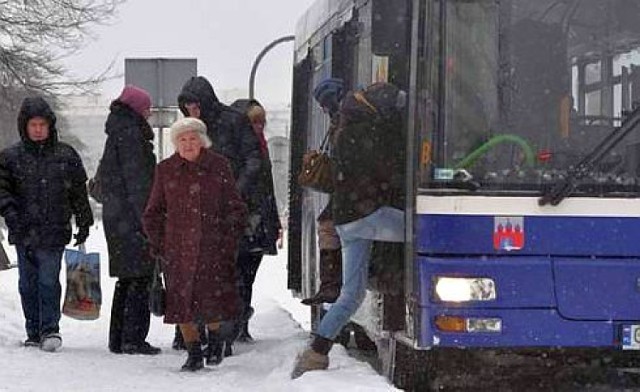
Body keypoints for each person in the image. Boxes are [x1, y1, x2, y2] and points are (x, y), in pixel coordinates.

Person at [292, 83, 407, 378]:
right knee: (425, 228)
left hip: (347, 221)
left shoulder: (346, 126)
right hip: (369, 216)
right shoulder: (367, 131)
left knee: (351, 294)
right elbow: (386, 174)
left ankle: (316, 352)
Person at [142, 117, 247, 371]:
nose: (188, 144)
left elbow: (236, 207)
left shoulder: (219, 166)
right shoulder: (165, 170)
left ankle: (214, 343)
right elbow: (153, 212)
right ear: (176, 143)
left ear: (202, 141)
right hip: (177, 250)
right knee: (181, 305)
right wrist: (159, 243)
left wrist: (228, 239)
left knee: (211, 301)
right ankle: (193, 353)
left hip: (213, 247)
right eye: (182, 139)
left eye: (193, 138)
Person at [173, 76, 261, 354]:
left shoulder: (233, 122)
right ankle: (191, 333)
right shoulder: (189, 130)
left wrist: (234, 191)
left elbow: (253, 161)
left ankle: (220, 334)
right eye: (187, 106)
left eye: (196, 105)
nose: (192, 111)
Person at [0, 96, 94, 352]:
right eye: (34, 125)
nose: (38, 129)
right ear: (25, 127)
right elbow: (3, 191)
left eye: (42, 124)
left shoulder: (65, 155)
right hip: (23, 230)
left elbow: (78, 192)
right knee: (27, 284)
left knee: (48, 281)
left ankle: (50, 329)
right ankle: (33, 330)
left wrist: (84, 221)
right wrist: (10, 214)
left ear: (50, 125)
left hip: (54, 231)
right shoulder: (10, 158)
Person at [100, 85, 160, 355]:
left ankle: (118, 338)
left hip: (117, 219)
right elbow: (138, 184)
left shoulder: (116, 133)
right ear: (137, 109)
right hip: (133, 220)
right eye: (146, 109)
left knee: (126, 279)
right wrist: (148, 221)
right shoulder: (132, 136)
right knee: (140, 278)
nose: (148, 114)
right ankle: (133, 339)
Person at [229, 99, 282, 342]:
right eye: (254, 122)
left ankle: (241, 324)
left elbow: (267, 187)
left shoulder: (260, 147)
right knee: (237, 275)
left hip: (259, 219)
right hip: (242, 219)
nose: (259, 127)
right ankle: (234, 323)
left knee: (248, 274)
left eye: (262, 122)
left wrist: (273, 222)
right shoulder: (236, 148)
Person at [300, 78, 345, 306]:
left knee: (328, 227)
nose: (324, 109)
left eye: (324, 104)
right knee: (327, 224)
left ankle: (331, 285)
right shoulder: (346, 115)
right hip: (350, 189)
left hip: (350, 189)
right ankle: (331, 284)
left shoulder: (343, 120)